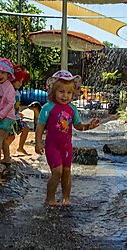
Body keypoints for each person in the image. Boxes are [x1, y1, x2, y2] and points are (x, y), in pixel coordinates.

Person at [35, 70, 100, 207]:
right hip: (52, 146)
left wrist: (88, 126)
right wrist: (38, 142)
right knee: (57, 171)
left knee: (66, 171)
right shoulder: (48, 108)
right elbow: (40, 126)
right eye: (61, 92)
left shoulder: (72, 109)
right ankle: (50, 198)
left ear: (73, 93)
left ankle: (66, 198)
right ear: (54, 92)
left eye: (68, 93)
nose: (65, 96)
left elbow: (78, 126)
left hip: (66, 147)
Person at [7, 65, 32, 155]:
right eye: (19, 81)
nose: (21, 83)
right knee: (11, 137)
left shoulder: (17, 92)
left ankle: (20, 147)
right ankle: (4, 150)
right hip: (10, 117)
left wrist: (18, 112)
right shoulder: (9, 91)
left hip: (16, 117)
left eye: (22, 81)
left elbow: (17, 104)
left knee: (26, 128)